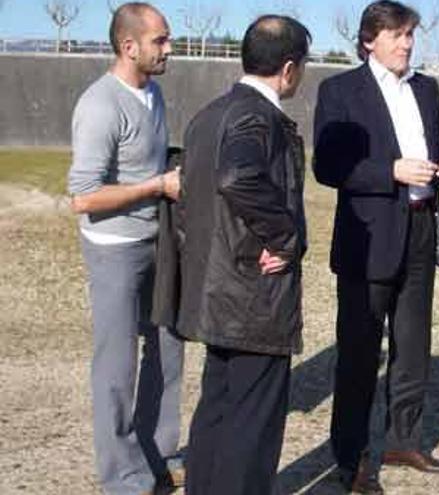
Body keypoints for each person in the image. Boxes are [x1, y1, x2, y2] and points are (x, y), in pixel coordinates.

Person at [313, 1, 439, 492]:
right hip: (368, 237)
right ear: (369, 40)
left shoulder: (426, 88)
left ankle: (404, 440)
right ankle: (351, 458)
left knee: (413, 346)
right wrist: (390, 172)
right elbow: (329, 167)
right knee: (358, 353)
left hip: (421, 230)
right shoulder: (340, 91)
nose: (407, 43)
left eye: (410, 34)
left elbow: (432, 149)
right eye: (397, 35)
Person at [176, 15, 311, 494]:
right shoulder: (257, 116)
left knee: (218, 409)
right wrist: (285, 236)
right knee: (251, 425)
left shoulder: (209, 114)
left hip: (217, 289)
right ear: (290, 68)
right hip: (252, 294)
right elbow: (238, 177)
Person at [67, 3, 184, 493]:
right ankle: (123, 478)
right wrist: (158, 184)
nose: (169, 49)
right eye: (160, 40)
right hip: (114, 250)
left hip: (157, 245)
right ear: (128, 46)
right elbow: (83, 197)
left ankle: (157, 453)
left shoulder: (153, 93)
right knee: (117, 367)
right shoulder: (100, 105)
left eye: (168, 38)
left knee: (169, 352)